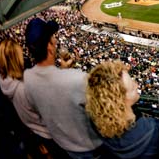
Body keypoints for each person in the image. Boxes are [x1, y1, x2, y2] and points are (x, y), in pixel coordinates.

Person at [23, 18, 103, 158]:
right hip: (90, 148)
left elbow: (49, 88)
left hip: (62, 146)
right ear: (49, 47)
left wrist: (62, 71)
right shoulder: (77, 78)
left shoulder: (27, 77)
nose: (55, 40)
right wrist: (66, 73)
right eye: (52, 37)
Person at [0, 38, 67, 158]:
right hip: (49, 133)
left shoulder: (3, 80)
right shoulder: (24, 88)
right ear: (17, 58)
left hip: (35, 132)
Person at [86, 60, 159, 158]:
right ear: (120, 99)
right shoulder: (154, 129)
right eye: (132, 85)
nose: (136, 85)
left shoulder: (95, 121)